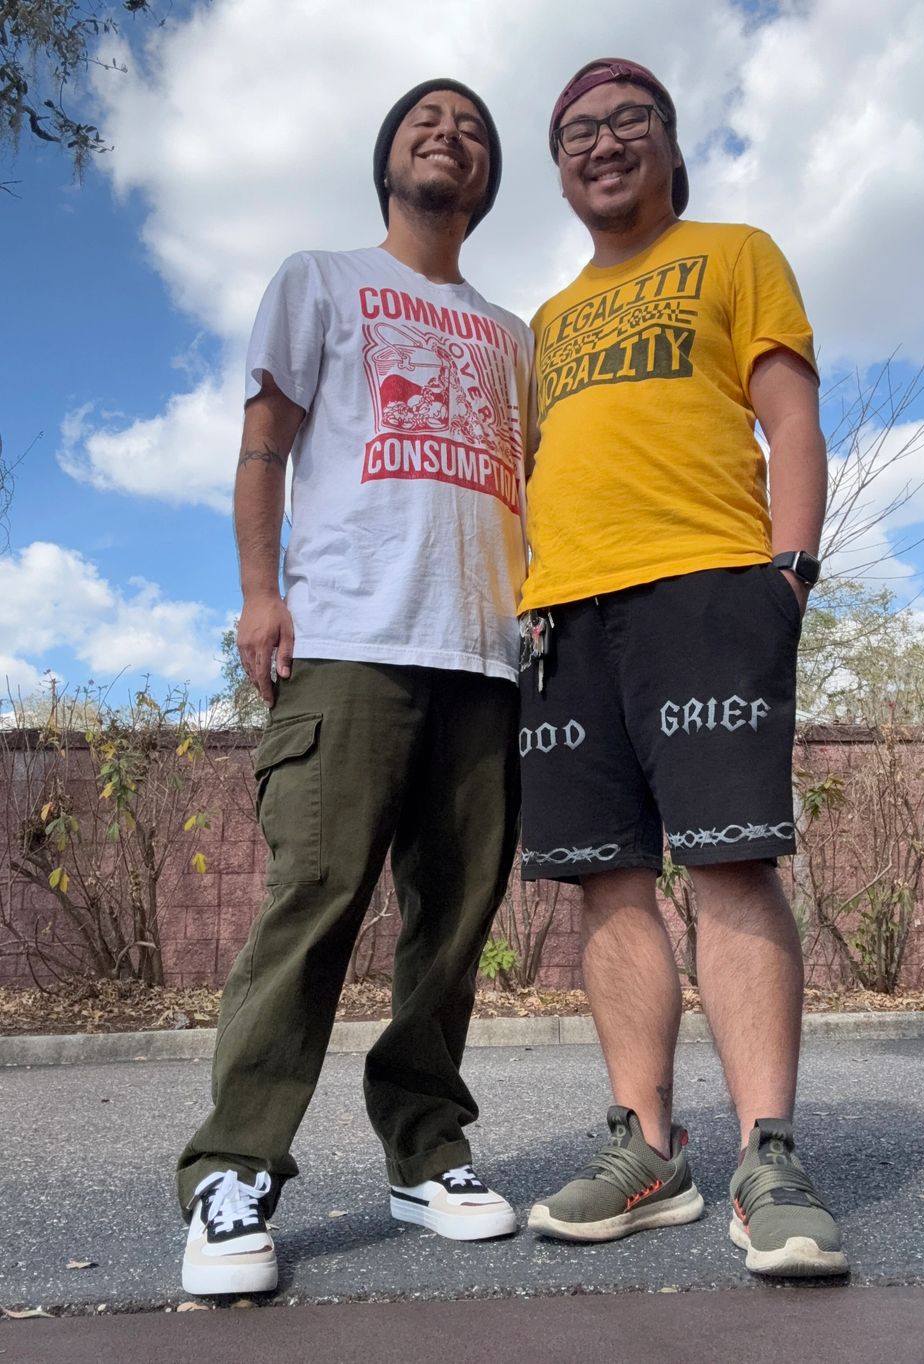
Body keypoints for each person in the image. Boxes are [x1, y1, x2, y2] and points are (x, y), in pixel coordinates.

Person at [177, 79, 532, 1296]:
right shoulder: (319, 279)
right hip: (348, 642)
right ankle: (234, 1168)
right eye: (426, 121)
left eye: (472, 129)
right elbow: (264, 443)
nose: (449, 135)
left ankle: (427, 1151)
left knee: (453, 923)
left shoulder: (514, 333)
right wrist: (257, 591)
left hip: (486, 656)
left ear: (487, 180)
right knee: (316, 900)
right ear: (388, 156)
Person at [518, 58, 848, 1278]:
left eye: (627, 123)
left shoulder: (735, 251)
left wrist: (790, 574)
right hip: (563, 614)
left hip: (708, 584)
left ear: (667, 145)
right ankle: (647, 1148)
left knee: (730, 861)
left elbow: (792, 413)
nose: (601, 144)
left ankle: (770, 1155)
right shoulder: (546, 322)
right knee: (606, 881)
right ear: (561, 170)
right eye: (577, 133)